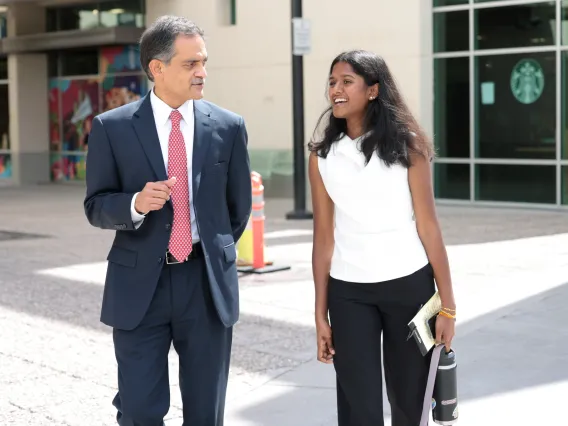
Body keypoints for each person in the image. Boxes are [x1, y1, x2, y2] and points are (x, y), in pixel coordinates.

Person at [84, 15, 252, 426]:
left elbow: (238, 209)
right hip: (140, 287)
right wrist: (137, 205)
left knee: (205, 410)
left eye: (203, 62)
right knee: (139, 410)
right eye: (190, 64)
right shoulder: (112, 128)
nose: (202, 72)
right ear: (157, 68)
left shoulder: (228, 127)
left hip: (205, 285)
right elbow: (96, 205)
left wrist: (210, 252)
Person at [308, 50, 457, 426]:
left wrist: (449, 306)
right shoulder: (323, 157)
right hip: (349, 292)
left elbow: (429, 228)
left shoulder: (408, 148)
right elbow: (323, 238)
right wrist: (320, 314)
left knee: (411, 402)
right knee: (358, 407)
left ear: (373, 90)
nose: (336, 90)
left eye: (346, 82)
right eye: (332, 82)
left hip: (409, 287)